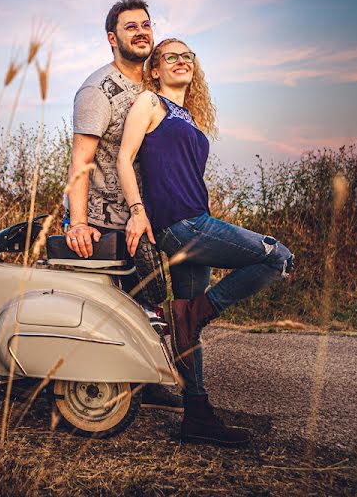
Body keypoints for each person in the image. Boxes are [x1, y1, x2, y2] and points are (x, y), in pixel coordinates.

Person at [117, 38, 294, 446]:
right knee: (277, 257)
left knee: (185, 327)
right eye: (170, 57)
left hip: (195, 221)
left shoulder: (190, 117)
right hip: (183, 225)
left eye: (187, 56)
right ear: (155, 70)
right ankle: (202, 310)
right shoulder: (150, 104)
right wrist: (137, 209)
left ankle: (196, 415)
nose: (181, 61)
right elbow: (125, 158)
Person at [66, 0, 179, 413]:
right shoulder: (99, 90)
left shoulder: (153, 86)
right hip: (105, 220)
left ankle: (146, 376)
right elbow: (81, 161)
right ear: (113, 39)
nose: (142, 32)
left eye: (146, 24)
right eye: (131, 27)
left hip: (146, 216)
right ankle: (122, 384)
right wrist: (78, 222)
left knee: (152, 301)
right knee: (121, 308)